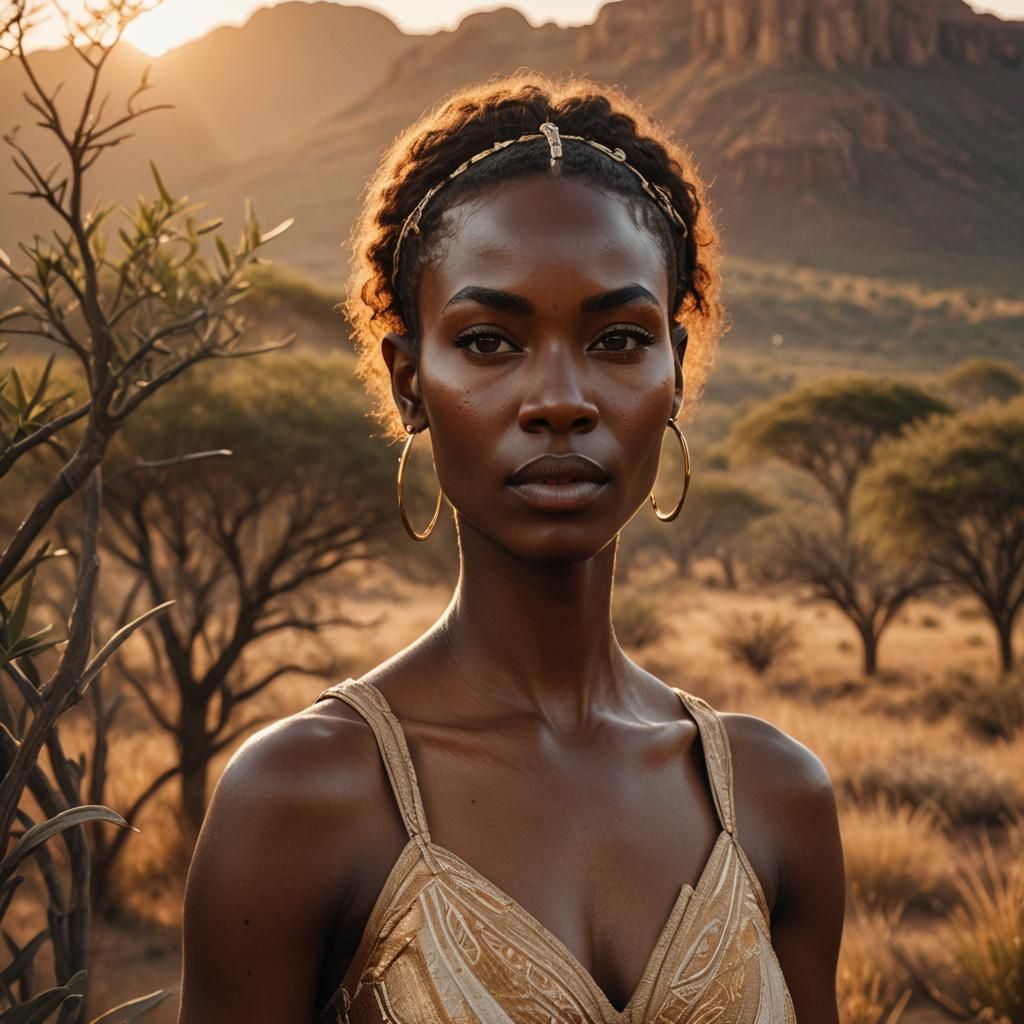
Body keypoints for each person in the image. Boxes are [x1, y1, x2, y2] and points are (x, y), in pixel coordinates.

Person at [177, 72, 845, 1023]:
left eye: (619, 338)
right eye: (491, 341)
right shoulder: (302, 801)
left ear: (676, 373)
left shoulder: (776, 796)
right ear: (411, 382)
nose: (562, 399)